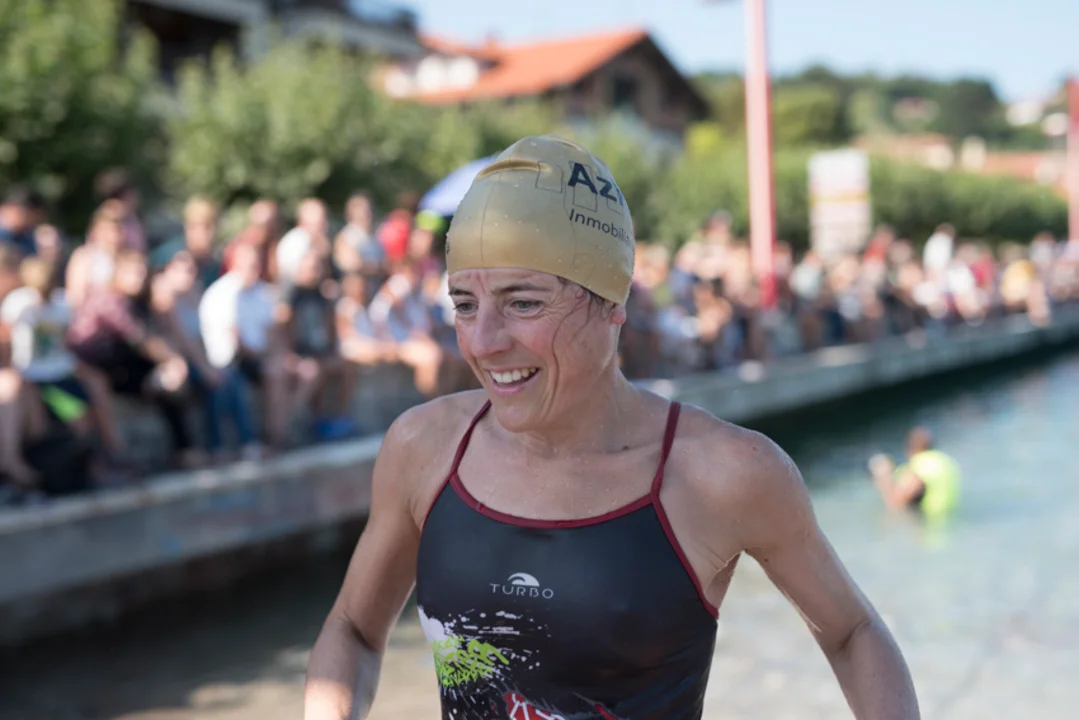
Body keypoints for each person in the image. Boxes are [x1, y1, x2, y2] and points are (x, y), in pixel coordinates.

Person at [304, 136, 919, 720]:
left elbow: (853, 631)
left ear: (612, 302)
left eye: (523, 302)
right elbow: (354, 630)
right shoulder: (426, 447)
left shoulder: (721, 472)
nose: (484, 342)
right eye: (464, 304)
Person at [869, 426, 961, 520]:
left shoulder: (917, 466)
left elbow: (896, 504)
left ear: (909, 447)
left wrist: (884, 477)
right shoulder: (946, 461)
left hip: (925, 521)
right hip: (949, 518)